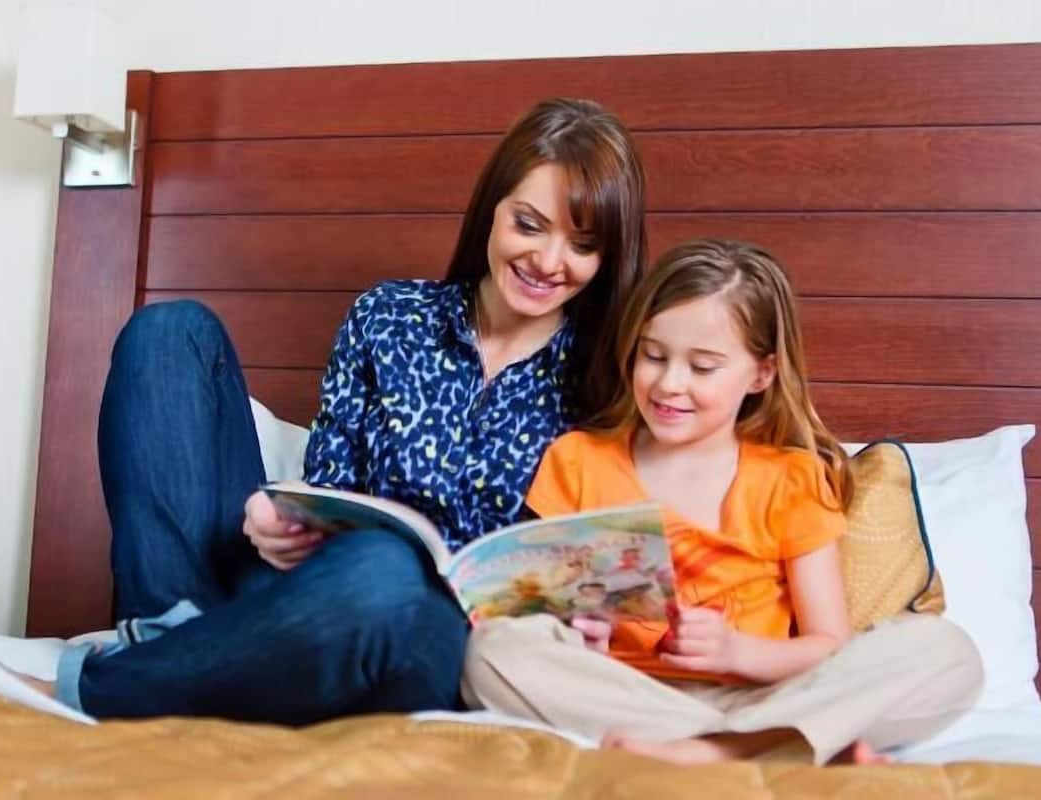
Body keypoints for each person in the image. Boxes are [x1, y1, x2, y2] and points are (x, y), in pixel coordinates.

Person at [32, 98, 647, 725]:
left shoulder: (609, 379)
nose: (548, 262)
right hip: (297, 587)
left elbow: (593, 558)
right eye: (529, 224)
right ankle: (169, 639)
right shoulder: (388, 316)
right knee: (171, 332)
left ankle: (111, 686)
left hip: (426, 634)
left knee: (382, 572)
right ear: (493, 208)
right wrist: (280, 516)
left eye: (583, 244)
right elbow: (329, 484)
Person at [460, 240, 984, 765]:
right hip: (625, 696)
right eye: (654, 355)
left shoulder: (789, 478)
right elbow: (548, 615)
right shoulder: (577, 461)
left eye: (703, 367)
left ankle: (715, 752)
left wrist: (737, 651)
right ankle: (766, 751)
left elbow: (829, 645)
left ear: (761, 373)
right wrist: (579, 639)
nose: (669, 384)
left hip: (768, 696)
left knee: (946, 653)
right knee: (493, 653)